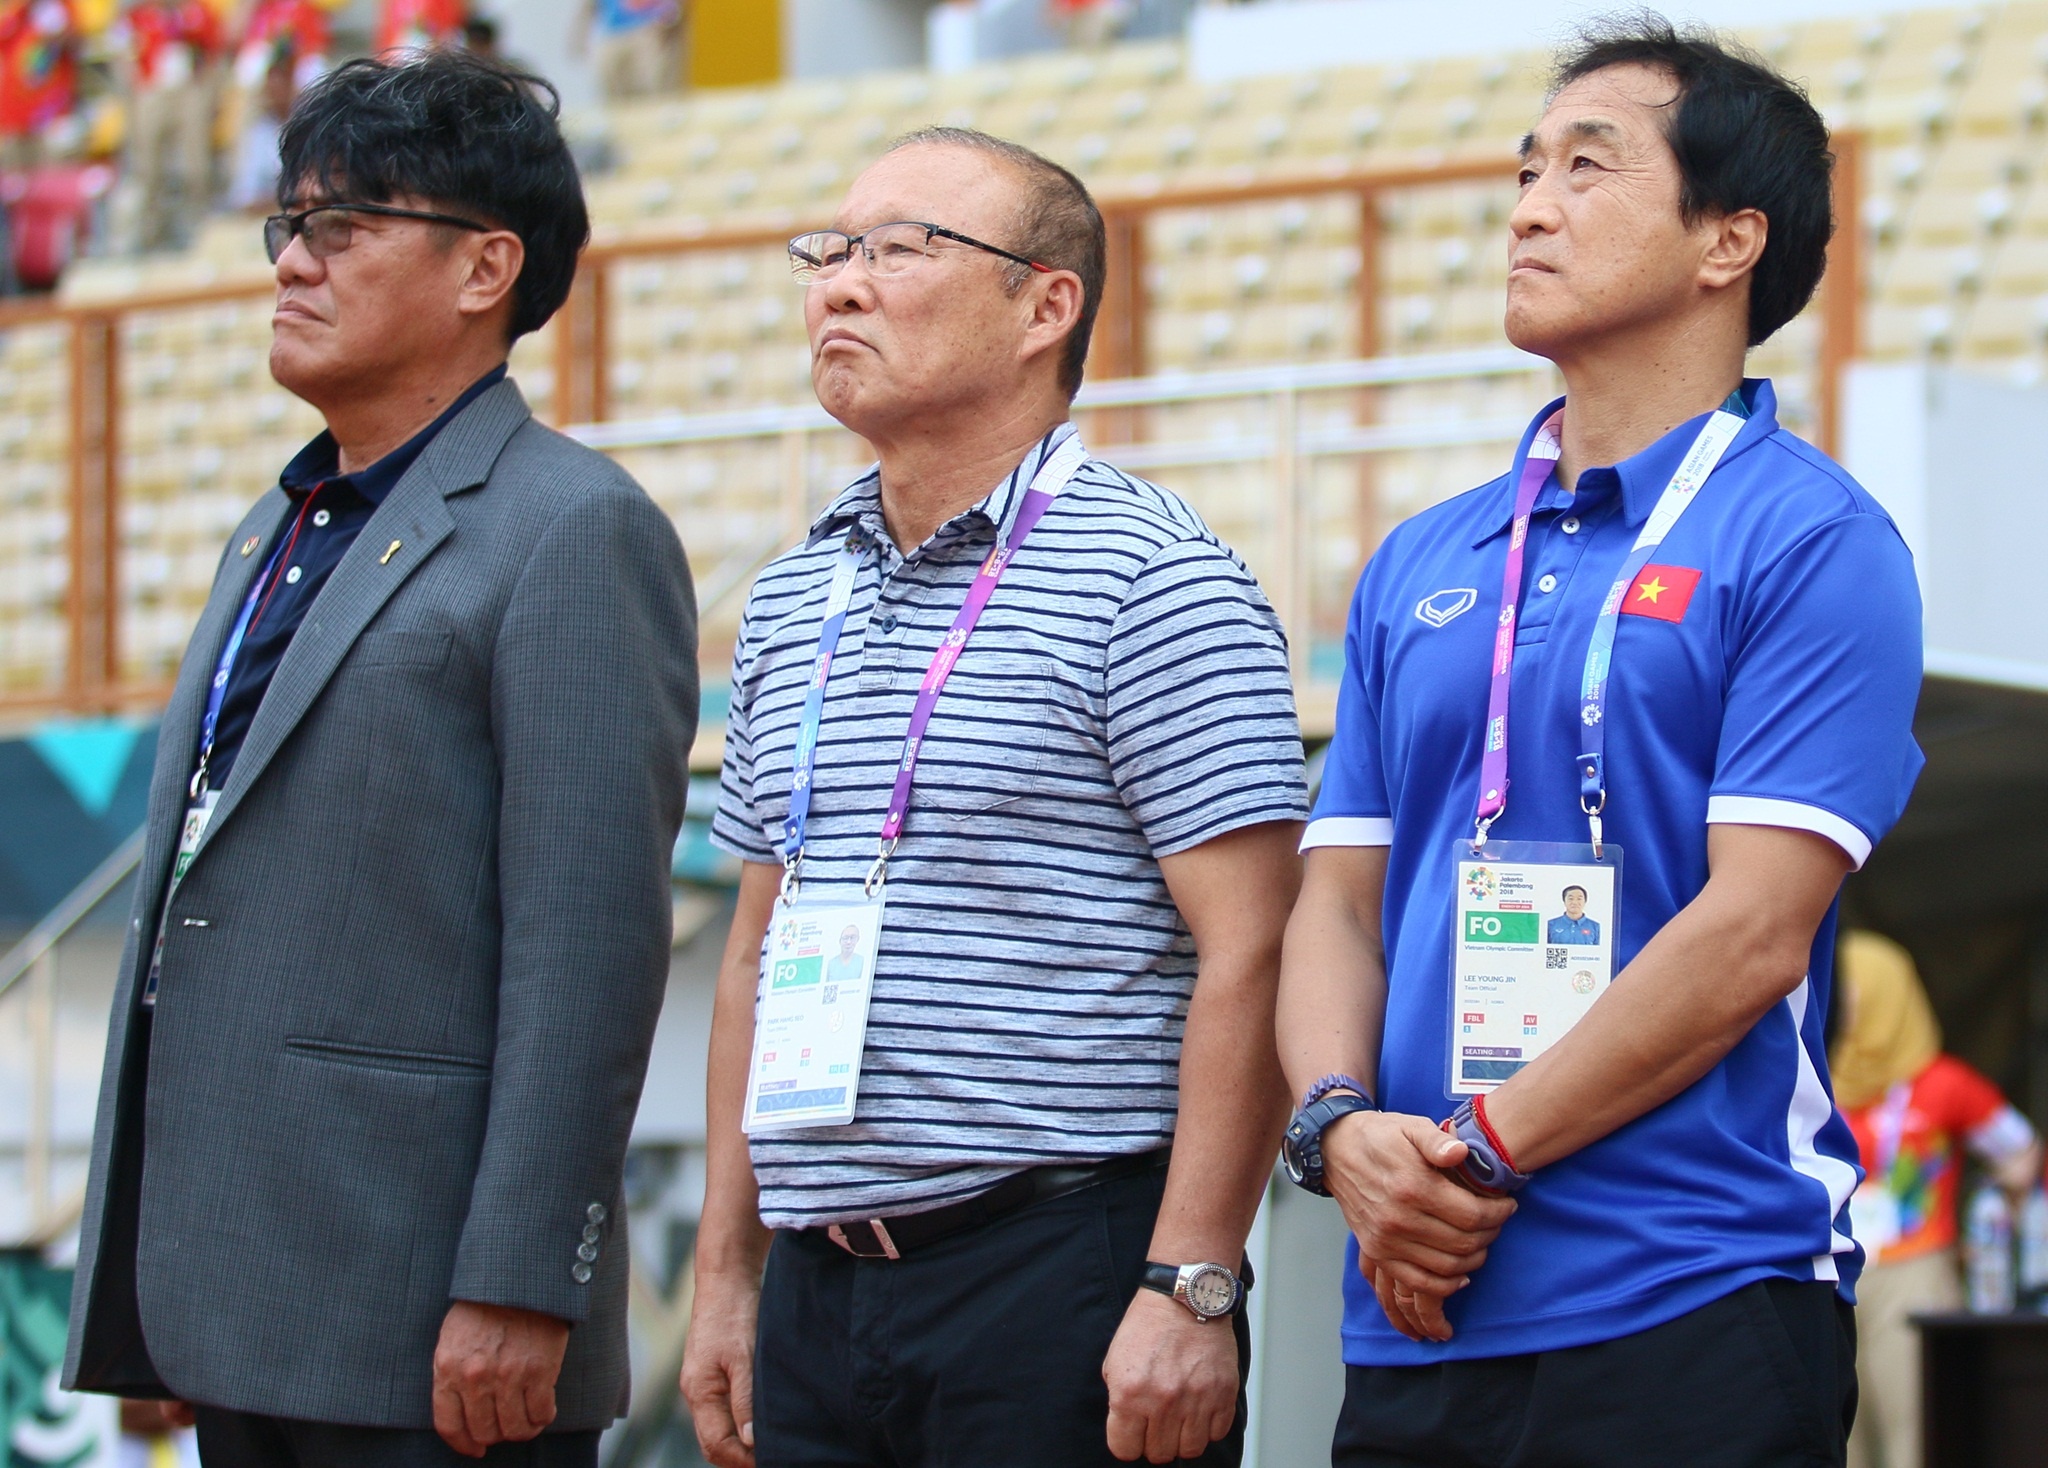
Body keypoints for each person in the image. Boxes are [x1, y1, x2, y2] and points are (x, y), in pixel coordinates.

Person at [1274, 21, 1924, 1467]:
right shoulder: (1422, 559)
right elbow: (1336, 900)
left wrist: (1467, 1153)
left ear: (1727, 242)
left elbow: (1752, 931)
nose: (1528, 206)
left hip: (1693, 1293)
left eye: (1588, 166)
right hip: (1416, 1302)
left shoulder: (1815, 542)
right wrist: (1337, 1130)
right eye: (1524, 170)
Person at [63, 50, 698, 1468]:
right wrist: (160, 1281)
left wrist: (526, 1276)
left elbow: (587, 941)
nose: (292, 262)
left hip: (435, 1313)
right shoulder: (279, 521)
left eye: (342, 228)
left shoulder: (571, 528)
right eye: (287, 227)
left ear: (486, 270)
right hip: (243, 1292)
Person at [679, 126, 1308, 1468]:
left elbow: (1254, 947)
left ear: (1047, 304)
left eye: (903, 246)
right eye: (831, 248)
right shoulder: (796, 597)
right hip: (816, 1287)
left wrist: (1193, 1282)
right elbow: (754, 950)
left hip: (1055, 1271)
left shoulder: (1153, 578)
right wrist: (727, 1276)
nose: (842, 283)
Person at [1833, 930, 2044, 1468]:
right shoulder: (1815, 1081)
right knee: (1838, 1432)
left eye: (1854, 991)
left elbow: (2023, 1155)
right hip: (1830, 1274)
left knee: (1918, 1428)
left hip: (1915, 1274)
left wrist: (1993, 1224)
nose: (1842, 1003)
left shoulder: (1943, 1084)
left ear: (1890, 994)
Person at [119, 0, 223, 250]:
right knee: (149, 171)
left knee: (195, 168)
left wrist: (208, 93)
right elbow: (122, 57)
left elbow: (213, 50)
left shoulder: (194, 12)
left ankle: (200, 234)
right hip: (152, 90)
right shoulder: (137, 16)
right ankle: (148, 237)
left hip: (188, 89)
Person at [574, 0, 681, 104]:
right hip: (610, 36)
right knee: (611, 90)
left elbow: (671, 8)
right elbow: (588, 9)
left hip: (643, 31)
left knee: (644, 86)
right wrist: (579, 39)